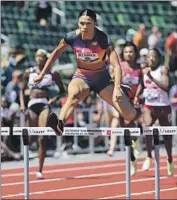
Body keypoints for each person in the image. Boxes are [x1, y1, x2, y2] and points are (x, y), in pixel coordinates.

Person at [33, 9, 140, 136]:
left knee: (129, 115)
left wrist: (117, 88)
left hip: (102, 79)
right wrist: (42, 74)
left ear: (94, 23)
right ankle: (59, 124)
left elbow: (116, 66)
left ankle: (128, 97)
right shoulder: (71, 37)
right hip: (82, 76)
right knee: (73, 95)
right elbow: (55, 53)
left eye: (88, 23)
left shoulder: (102, 38)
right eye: (81, 23)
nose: (84, 27)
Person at [20, 49, 65, 179]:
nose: (39, 59)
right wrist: (22, 104)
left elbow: (62, 90)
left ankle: (39, 169)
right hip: (32, 104)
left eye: (41, 57)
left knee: (42, 136)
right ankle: (26, 160)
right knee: (31, 136)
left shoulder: (52, 73)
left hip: (45, 104)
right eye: (37, 56)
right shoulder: (29, 72)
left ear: (46, 59)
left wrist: (54, 99)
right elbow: (21, 90)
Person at [134, 48, 174, 176]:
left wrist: (151, 77)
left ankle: (169, 159)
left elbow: (166, 87)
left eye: (154, 56)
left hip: (163, 106)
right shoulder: (144, 70)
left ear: (158, 58)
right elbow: (142, 83)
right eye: (149, 56)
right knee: (147, 128)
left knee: (167, 136)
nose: (151, 58)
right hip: (149, 105)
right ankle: (149, 156)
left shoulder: (163, 70)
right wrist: (136, 95)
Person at [107, 41, 143, 175]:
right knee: (125, 131)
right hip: (122, 101)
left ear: (135, 53)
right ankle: (131, 156)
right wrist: (114, 75)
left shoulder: (140, 68)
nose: (129, 54)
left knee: (130, 126)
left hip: (135, 101)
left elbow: (142, 84)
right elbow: (111, 81)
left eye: (131, 52)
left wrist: (137, 96)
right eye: (126, 52)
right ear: (123, 53)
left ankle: (134, 146)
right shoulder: (119, 66)